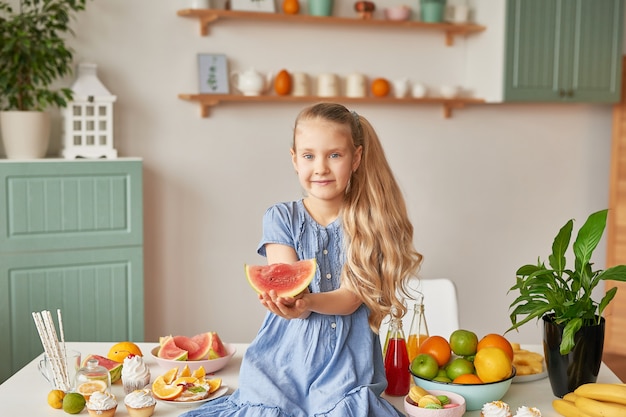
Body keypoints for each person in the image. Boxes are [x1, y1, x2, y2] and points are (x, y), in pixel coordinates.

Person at [181, 102, 423, 417]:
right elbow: (286, 278)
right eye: (309, 156)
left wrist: (307, 303)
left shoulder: (367, 222)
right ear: (295, 160)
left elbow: (351, 298)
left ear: (356, 158)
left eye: (334, 155)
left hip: (345, 362)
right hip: (282, 357)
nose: (320, 167)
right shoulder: (280, 217)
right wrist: (291, 301)